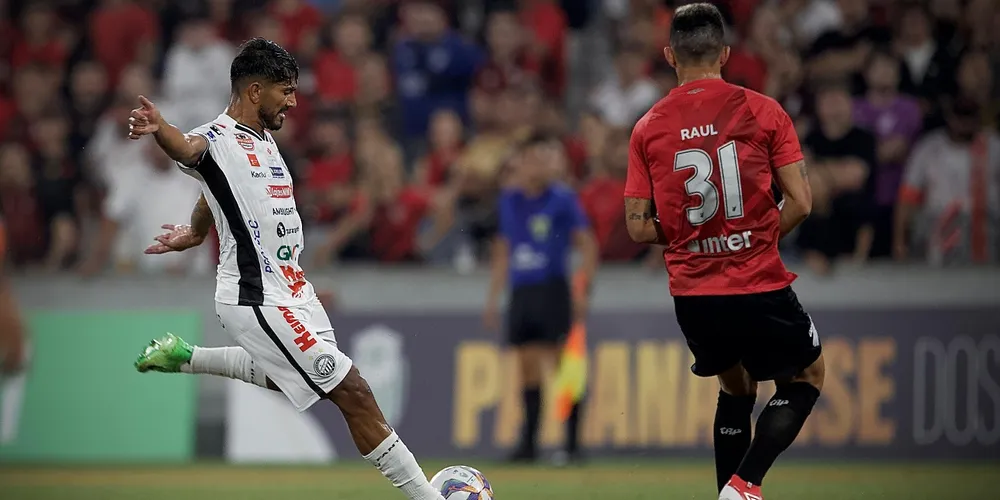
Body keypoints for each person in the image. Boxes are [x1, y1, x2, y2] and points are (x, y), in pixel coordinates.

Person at [126, 38, 447, 500]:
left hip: (294, 288)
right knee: (352, 390)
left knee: (293, 376)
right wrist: (161, 129)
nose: (294, 102)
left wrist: (196, 231)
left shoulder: (264, 141)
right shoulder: (215, 137)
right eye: (286, 90)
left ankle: (187, 357)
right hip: (255, 296)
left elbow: (212, 189)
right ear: (255, 91)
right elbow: (188, 149)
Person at [623, 5, 824, 500]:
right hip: (758, 283)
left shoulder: (648, 127)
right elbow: (801, 202)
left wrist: (695, 239)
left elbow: (638, 227)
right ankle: (745, 483)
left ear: (670, 56)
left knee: (736, 388)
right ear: (726, 54)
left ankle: (729, 494)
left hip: (694, 296)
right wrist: (750, 240)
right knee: (806, 377)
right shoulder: (763, 110)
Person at [484, 133, 598, 465]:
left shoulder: (561, 198)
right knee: (527, 367)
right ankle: (529, 445)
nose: (537, 165)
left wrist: (584, 289)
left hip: (552, 288)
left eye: (542, 159)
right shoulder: (509, 200)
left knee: (564, 366)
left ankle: (572, 445)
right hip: (522, 290)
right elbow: (503, 251)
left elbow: (587, 243)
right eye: (531, 159)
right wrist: (493, 298)